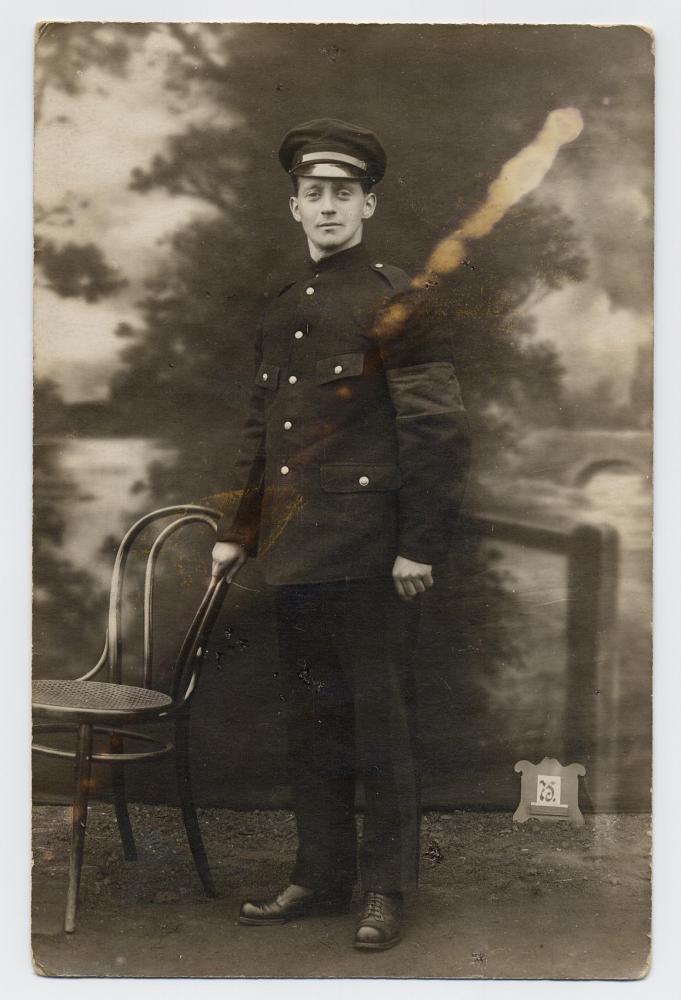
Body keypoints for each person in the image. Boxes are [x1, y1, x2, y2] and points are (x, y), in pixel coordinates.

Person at [211, 118, 470, 951]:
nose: (327, 207)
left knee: (381, 729)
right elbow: (263, 427)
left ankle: (385, 889)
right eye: (313, 194)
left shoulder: (402, 299)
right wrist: (236, 530)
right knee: (312, 723)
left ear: (367, 203)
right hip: (297, 554)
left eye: (342, 194)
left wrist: (420, 544)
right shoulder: (283, 306)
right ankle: (319, 876)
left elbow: (436, 431)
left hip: (372, 554)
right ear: (293, 206)